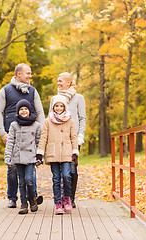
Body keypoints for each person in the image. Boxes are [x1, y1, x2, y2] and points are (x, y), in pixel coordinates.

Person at [0, 63, 45, 208]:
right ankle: (12, 197)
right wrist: (3, 133)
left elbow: (40, 112)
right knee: (13, 167)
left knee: (30, 164)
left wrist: (42, 132)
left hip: (30, 134)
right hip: (12, 133)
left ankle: (32, 196)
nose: (30, 76)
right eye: (28, 73)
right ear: (19, 74)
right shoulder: (5, 90)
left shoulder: (33, 91)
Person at [49, 72, 86, 208]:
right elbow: (50, 117)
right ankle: (60, 199)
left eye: (60, 81)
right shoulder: (54, 98)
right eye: (57, 81)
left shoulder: (78, 98)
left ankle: (70, 197)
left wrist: (80, 135)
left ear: (69, 83)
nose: (58, 83)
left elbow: (82, 118)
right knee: (58, 172)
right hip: (57, 140)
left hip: (73, 140)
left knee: (71, 170)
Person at [37, 95, 79, 215]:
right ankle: (58, 203)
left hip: (67, 153)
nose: (59, 108)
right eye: (57, 106)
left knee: (66, 176)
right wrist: (40, 152)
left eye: (61, 106)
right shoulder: (47, 121)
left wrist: (75, 151)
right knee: (56, 178)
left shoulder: (70, 121)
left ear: (65, 107)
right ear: (53, 107)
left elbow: (73, 137)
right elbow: (43, 137)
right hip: (53, 153)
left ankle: (67, 199)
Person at [4, 99, 41, 214]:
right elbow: (10, 142)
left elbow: (39, 142)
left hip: (31, 157)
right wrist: (8, 156)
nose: (24, 111)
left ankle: (32, 199)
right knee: (21, 182)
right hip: (18, 157)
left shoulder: (36, 125)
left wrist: (40, 157)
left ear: (30, 110)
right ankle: (24, 203)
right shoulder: (14, 125)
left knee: (29, 180)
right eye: (21, 109)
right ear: (18, 111)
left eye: (25, 109)